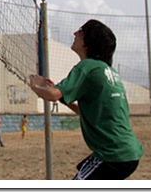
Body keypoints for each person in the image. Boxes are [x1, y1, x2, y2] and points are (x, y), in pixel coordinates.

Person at [29, 20, 143, 180]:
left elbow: (52, 94)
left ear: (89, 41)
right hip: (128, 152)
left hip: (112, 155)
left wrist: (35, 87)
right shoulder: (108, 71)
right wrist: (63, 98)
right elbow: (90, 112)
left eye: (81, 31)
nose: (75, 33)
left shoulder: (86, 66)